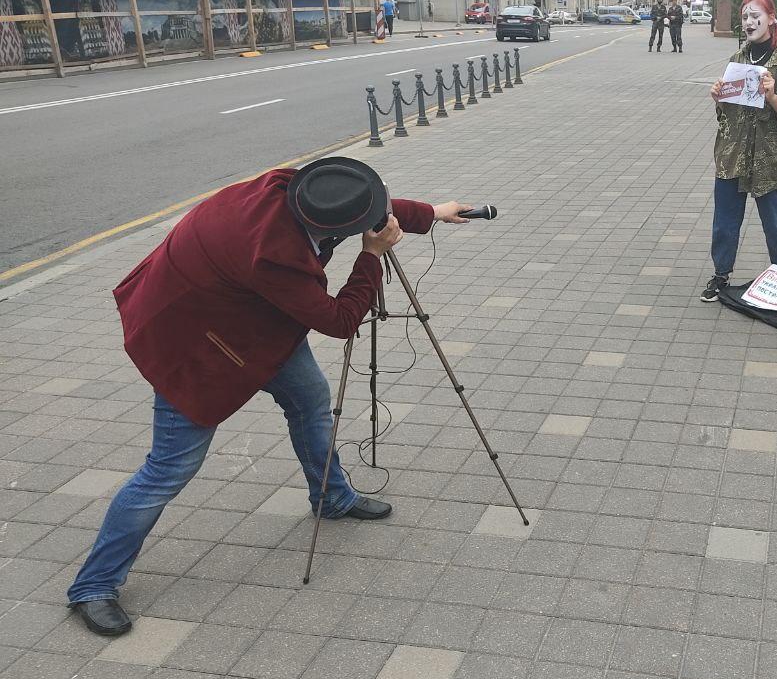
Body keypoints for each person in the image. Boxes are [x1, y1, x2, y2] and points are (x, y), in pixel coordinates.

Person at [66, 159, 472, 637]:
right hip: (193, 341)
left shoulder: (292, 188)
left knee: (310, 400)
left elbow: (354, 205)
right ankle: (92, 587)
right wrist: (370, 257)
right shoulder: (274, 256)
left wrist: (432, 212)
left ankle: (332, 497)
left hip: (255, 317)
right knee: (168, 469)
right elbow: (339, 321)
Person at [702, 0, 777, 302]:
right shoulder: (737, 60)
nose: (748, 22)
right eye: (745, 17)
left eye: (755, 16)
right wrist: (719, 98)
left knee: (774, 223)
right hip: (733, 155)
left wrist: (772, 96)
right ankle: (721, 275)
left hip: (770, 159)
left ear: (771, 19)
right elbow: (727, 116)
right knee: (725, 221)